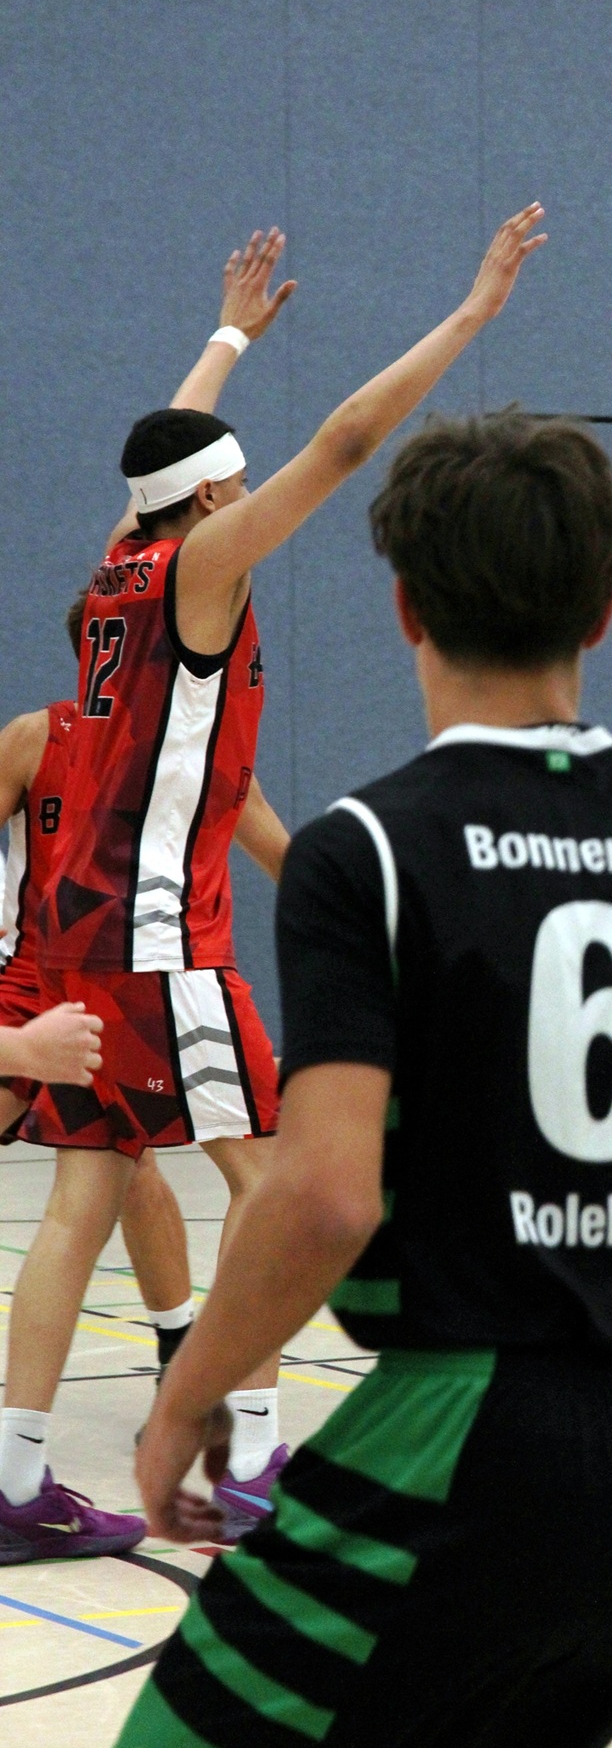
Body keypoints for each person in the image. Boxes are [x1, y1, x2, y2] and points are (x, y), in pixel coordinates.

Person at [99, 408, 612, 1748]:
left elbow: (325, 1194)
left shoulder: (366, 849)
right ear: (606, 608)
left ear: (405, 604)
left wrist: (185, 1398)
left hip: (464, 1433)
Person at [8, 208, 540, 1565]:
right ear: (212, 504)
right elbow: (348, 442)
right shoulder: (203, 562)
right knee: (276, 1186)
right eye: (235, 486)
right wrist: (472, 312)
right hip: (162, 948)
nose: (251, 498)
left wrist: (228, 337)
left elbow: (165, 452)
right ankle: (246, 1460)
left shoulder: (121, 565)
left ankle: (12, 1479)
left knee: (81, 1206)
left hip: (85, 948)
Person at [0, 598, 290, 1429]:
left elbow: (284, 855)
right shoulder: (36, 738)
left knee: (120, 1174)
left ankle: (174, 1349)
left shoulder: (197, 750)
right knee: (149, 1178)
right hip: (39, 980)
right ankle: (228, 1412)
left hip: (124, 982)